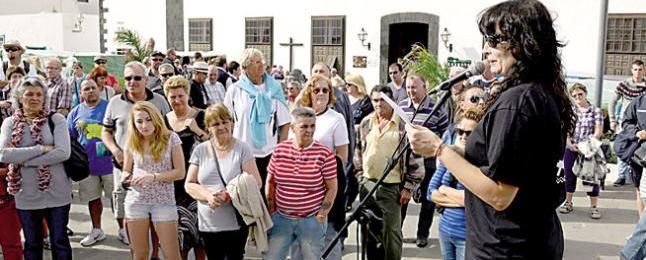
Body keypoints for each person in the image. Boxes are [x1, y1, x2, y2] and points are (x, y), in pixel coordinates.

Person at [405, 0, 574, 258]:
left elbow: (500, 195)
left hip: (505, 247)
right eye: (486, 40)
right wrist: (452, 151)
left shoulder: (517, 103)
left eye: (494, 40)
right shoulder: (539, 93)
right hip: (529, 242)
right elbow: (503, 166)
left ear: (522, 43)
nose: (486, 49)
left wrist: (439, 150)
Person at [0, 76, 73, 259]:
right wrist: (41, 149)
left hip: (57, 193)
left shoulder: (56, 119)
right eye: (29, 94)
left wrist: (24, 160)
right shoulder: (10, 123)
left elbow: (63, 152)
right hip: (26, 194)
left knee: (59, 241)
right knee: (32, 244)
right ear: (19, 97)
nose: (34, 98)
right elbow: (3, 154)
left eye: (39, 94)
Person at [102, 61, 171, 245]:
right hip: (123, 167)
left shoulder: (160, 101)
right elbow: (106, 131)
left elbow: (169, 130)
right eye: (128, 78)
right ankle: (129, 240)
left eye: (137, 78)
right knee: (125, 208)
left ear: (146, 79)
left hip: (154, 168)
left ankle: (155, 253)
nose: (132, 82)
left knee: (156, 214)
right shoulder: (115, 102)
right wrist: (116, 150)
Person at [355, 85, 424, 260]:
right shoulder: (366, 123)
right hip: (368, 184)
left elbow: (416, 157)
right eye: (375, 100)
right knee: (370, 232)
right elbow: (358, 153)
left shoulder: (403, 124)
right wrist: (360, 178)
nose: (378, 104)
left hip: (392, 187)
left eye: (382, 100)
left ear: (392, 101)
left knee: (391, 233)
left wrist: (409, 187)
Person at [185, 103, 262, 260]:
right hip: (208, 224)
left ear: (231, 122)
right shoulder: (200, 150)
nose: (221, 127)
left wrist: (228, 195)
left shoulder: (242, 149)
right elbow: (189, 184)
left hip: (235, 222)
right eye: (215, 124)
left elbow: (255, 181)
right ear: (208, 127)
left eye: (225, 122)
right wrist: (208, 196)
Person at [264, 107, 338, 260]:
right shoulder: (279, 151)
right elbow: (270, 182)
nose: (309, 130)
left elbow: (332, 189)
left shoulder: (324, 154)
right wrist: (272, 211)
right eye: (304, 126)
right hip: (281, 219)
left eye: (312, 126)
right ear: (292, 128)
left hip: (310, 220)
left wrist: (321, 216)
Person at [292, 74, 349, 260]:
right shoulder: (298, 115)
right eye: (317, 90)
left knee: (328, 239)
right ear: (309, 92)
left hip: (325, 189)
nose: (321, 93)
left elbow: (342, 156)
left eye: (325, 90)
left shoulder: (336, 119)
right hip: (299, 190)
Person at [223, 48, 291, 203]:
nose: (262, 65)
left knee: (268, 199)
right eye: (257, 62)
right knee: (246, 201)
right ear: (245, 68)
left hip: (269, 154)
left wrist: (281, 152)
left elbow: (285, 123)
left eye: (263, 61)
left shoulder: (274, 89)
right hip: (243, 154)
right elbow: (227, 120)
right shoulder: (235, 90)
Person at [120, 101, 184, 260]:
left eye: (148, 119)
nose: (144, 125)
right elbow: (127, 169)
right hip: (136, 201)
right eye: (139, 121)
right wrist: (125, 178)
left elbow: (180, 172)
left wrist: (153, 176)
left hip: (163, 202)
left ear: (156, 118)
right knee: (139, 255)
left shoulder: (171, 138)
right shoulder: (132, 140)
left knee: (172, 255)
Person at [398, 72, 449, 248]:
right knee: (402, 199)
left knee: (427, 201)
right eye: (408, 88)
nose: (411, 91)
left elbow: (445, 133)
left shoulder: (436, 108)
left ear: (424, 88)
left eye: (414, 87)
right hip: (406, 162)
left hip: (428, 162)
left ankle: (422, 235)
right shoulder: (402, 106)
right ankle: (398, 232)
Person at [163, 75, 209, 259]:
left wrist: (198, 130)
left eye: (180, 96)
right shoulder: (164, 121)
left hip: (198, 182)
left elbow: (216, 146)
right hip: (173, 186)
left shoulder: (201, 115)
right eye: (172, 97)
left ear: (187, 95)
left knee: (200, 237)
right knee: (179, 237)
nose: (177, 100)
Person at [429, 107, 483, 260]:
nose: (463, 136)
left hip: (467, 235)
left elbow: (479, 199)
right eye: (460, 131)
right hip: (445, 230)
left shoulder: (482, 164)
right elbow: (431, 192)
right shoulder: (450, 156)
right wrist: (462, 199)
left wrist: (445, 189)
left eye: (469, 133)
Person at [67, 79, 114, 246]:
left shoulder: (110, 107)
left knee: (117, 199)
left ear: (99, 90)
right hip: (88, 166)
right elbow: (69, 138)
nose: (91, 91)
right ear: (81, 92)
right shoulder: (75, 112)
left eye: (93, 88)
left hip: (111, 164)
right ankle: (96, 230)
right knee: (93, 199)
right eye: (86, 89)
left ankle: (124, 230)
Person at [559, 83, 603, 219]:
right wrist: (570, 144)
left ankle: (594, 206)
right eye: (575, 96)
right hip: (571, 148)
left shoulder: (596, 111)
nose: (578, 97)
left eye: (580, 94)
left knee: (590, 180)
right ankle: (568, 202)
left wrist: (586, 146)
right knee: (568, 177)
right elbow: (566, 130)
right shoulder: (570, 111)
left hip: (588, 149)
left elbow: (598, 131)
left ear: (585, 94)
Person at [610, 60, 646, 189]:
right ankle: (621, 175)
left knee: (639, 149)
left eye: (640, 69)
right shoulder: (624, 84)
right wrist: (613, 120)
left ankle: (636, 174)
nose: (638, 72)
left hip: (642, 122)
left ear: (644, 70)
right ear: (632, 70)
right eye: (635, 69)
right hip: (626, 121)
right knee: (624, 146)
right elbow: (612, 102)